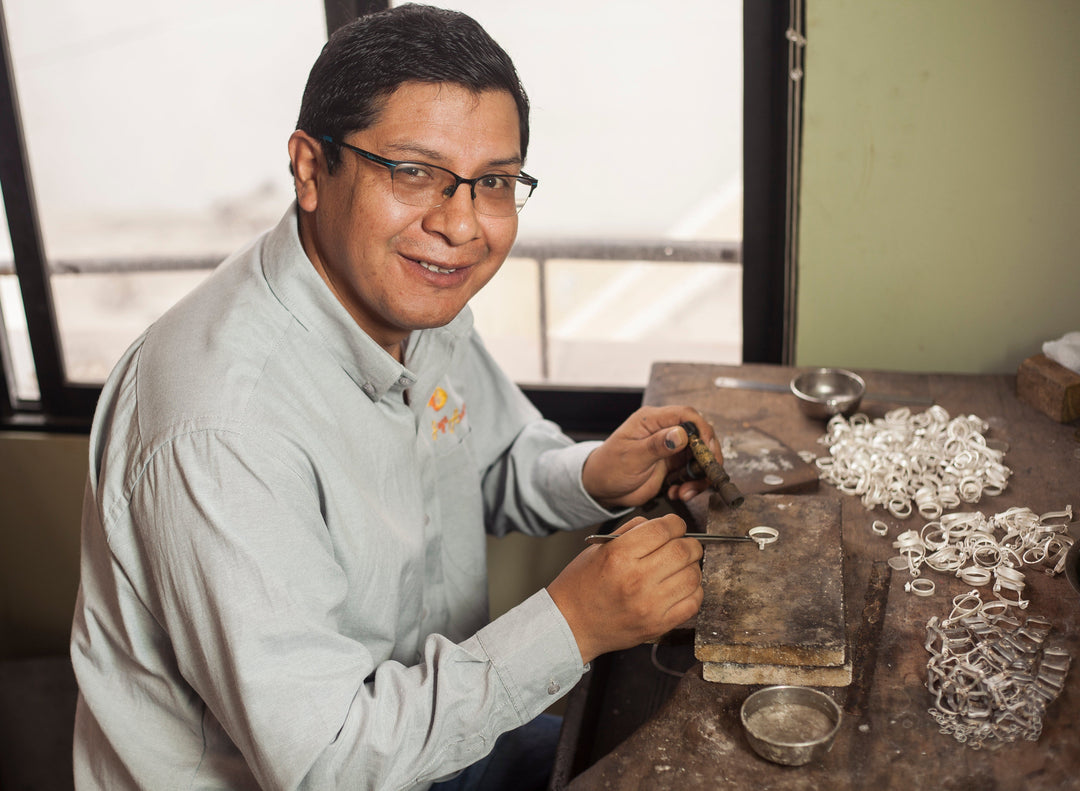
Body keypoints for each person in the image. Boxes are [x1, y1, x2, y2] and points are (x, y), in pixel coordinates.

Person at [69, 5, 720, 789]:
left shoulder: (412, 298)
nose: (460, 224)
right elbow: (325, 762)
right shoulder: (219, 427)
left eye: (496, 183)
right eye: (414, 171)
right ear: (311, 169)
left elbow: (491, 458)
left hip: (437, 738)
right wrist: (574, 623)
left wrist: (593, 476)